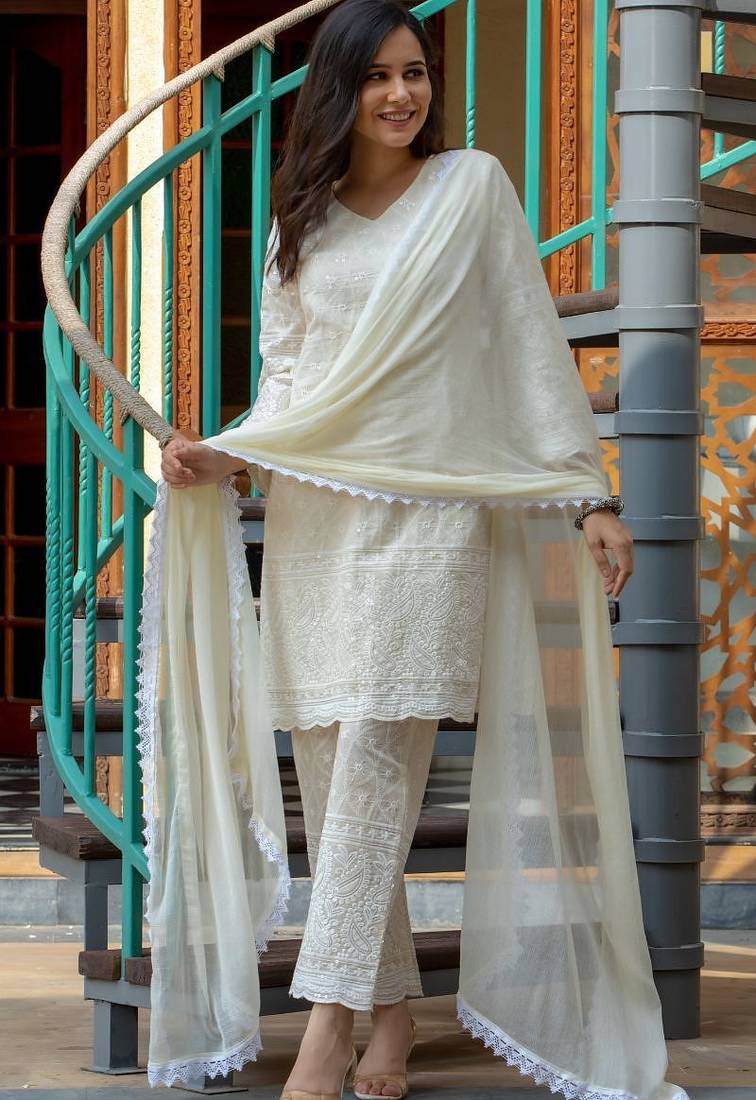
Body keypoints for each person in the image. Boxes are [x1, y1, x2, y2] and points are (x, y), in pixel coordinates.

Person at [151, 4, 686, 1100]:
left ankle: (325, 1027)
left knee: (378, 757)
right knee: (333, 769)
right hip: (317, 515)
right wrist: (227, 455)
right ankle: (390, 1011)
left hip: (434, 512)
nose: (403, 95)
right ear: (337, 90)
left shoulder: (470, 188)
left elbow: (530, 343)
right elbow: (291, 383)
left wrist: (586, 491)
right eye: (379, 76)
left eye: (417, 73)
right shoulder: (302, 222)